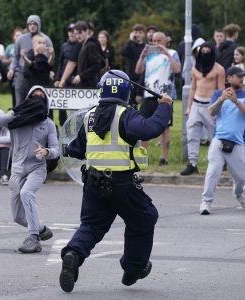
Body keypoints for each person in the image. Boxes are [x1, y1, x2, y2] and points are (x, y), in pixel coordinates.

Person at [59, 70, 173, 292]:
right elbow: (150, 129)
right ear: (126, 91)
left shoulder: (89, 115)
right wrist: (165, 106)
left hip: (92, 183)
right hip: (122, 183)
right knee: (144, 219)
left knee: (91, 225)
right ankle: (133, 268)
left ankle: (73, 253)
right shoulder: (126, 114)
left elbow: (76, 149)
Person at [0, 85, 59, 253]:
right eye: (34, 96)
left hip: (37, 168)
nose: (37, 99)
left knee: (26, 193)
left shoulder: (48, 123)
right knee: (18, 217)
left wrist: (46, 152)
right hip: (17, 168)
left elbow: (57, 150)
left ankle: (34, 238)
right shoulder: (15, 116)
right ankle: (41, 229)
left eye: (41, 97)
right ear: (27, 99)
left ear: (46, 102)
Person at [199, 66, 245, 215]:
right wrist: (222, 99)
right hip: (219, 140)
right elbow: (211, 112)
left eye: (242, 76)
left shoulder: (244, 94)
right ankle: (206, 203)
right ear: (229, 78)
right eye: (238, 76)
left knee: (241, 177)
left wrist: (236, 101)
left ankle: (239, 195)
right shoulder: (219, 94)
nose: (241, 79)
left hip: (238, 142)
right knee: (213, 172)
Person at [135, 31, 181, 166]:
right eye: (153, 41)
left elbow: (177, 69)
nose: (155, 44)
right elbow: (138, 70)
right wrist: (142, 56)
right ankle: (143, 157)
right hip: (149, 95)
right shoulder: (149, 55)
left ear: (165, 41)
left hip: (165, 96)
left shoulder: (172, 53)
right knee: (143, 125)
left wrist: (166, 53)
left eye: (158, 41)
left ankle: (164, 158)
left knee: (165, 128)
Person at [181, 42, 225, 176]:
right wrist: (189, 107)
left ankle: (219, 162)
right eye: (203, 50)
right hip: (196, 104)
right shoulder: (195, 68)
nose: (205, 53)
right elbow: (193, 88)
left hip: (210, 106)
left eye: (208, 51)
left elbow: (220, 90)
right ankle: (192, 164)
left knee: (215, 136)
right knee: (192, 135)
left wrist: (217, 109)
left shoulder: (219, 69)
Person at [8, 15, 53, 106]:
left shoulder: (46, 39)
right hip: (21, 72)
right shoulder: (21, 39)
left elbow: (50, 57)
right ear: (27, 25)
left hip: (38, 74)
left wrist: (50, 71)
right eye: (30, 24)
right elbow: (16, 57)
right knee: (20, 99)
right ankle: (19, 119)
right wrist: (11, 69)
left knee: (39, 100)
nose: (32, 26)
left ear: (39, 25)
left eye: (34, 24)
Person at [54, 23, 78, 125]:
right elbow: (60, 64)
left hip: (75, 82)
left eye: (73, 31)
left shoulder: (80, 45)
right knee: (62, 107)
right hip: (63, 81)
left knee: (75, 108)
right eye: (69, 31)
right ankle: (63, 127)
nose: (71, 33)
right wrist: (57, 79)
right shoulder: (64, 46)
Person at [72, 21, 104, 88]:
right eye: (76, 34)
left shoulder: (90, 46)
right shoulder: (83, 46)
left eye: (80, 33)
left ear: (87, 31)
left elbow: (97, 65)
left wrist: (81, 76)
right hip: (84, 87)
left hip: (90, 87)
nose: (78, 36)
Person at [120, 24, 146, 108]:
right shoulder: (130, 45)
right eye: (135, 32)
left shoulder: (145, 47)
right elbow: (123, 52)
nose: (137, 34)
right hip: (130, 79)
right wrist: (130, 40)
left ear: (143, 34)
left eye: (140, 32)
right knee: (130, 105)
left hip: (142, 79)